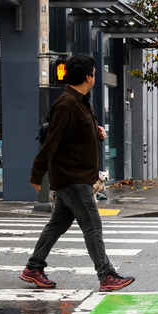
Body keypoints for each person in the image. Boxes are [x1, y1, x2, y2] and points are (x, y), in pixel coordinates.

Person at [21, 53, 133, 293]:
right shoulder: (67, 104)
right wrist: (37, 175)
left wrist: (98, 133)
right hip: (73, 178)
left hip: (75, 177)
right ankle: (106, 275)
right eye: (94, 73)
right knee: (92, 225)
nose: (95, 76)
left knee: (57, 225)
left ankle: (33, 267)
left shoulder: (81, 102)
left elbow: (75, 136)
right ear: (88, 77)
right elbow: (51, 142)